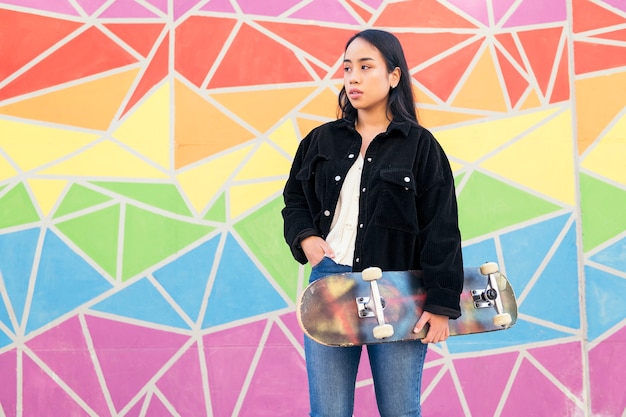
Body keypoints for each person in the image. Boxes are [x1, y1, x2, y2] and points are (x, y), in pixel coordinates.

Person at [282, 29, 464, 417]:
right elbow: (294, 199)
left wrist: (441, 303)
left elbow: (441, 227)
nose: (354, 78)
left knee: (399, 411)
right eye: (348, 68)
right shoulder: (320, 140)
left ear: (394, 76)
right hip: (329, 284)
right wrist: (306, 237)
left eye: (366, 67)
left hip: (397, 289)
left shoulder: (420, 145)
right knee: (328, 412)